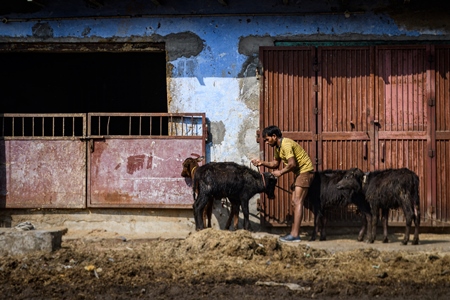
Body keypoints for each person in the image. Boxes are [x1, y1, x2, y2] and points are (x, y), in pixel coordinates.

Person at [251, 125, 314, 242]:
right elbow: (275, 163)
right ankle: (294, 233)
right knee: (294, 202)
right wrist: (261, 163)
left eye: (267, 139)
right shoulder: (278, 148)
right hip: (299, 173)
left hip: (305, 171)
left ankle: (295, 235)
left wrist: (280, 172)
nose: (266, 142)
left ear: (274, 136)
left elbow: (292, 164)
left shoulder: (286, 144)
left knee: (297, 201)